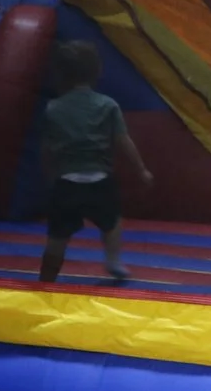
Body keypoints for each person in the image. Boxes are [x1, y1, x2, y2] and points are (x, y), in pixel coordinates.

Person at [37, 40, 150, 286]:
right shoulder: (107, 105)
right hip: (100, 181)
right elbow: (123, 141)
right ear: (96, 71)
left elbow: (47, 148)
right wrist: (141, 169)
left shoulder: (54, 108)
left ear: (60, 74)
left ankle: (46, 279)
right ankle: (113, 260)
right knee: (112, 222)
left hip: (67, 183)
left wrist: (49, 174)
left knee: (57, 236)